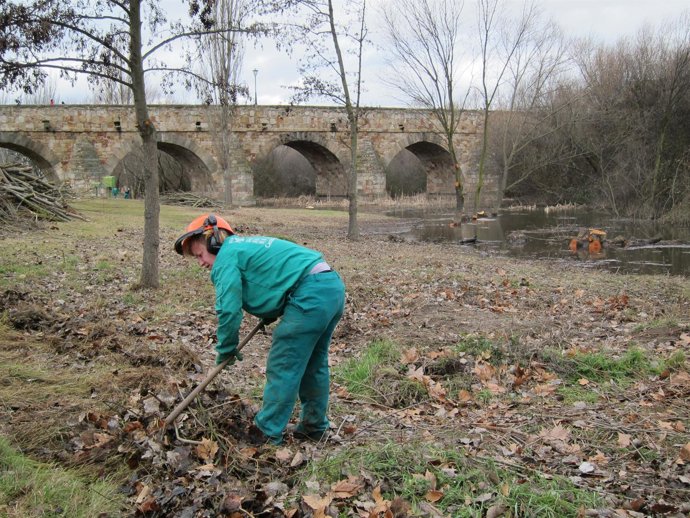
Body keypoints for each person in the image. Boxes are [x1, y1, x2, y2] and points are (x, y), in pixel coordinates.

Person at [174, 214, 346, 445]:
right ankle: (314, 427)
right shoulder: (243, 247)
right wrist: (270, 311)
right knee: (314, 364)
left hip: (310, 293)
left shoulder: (226, 256)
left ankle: (266, 433)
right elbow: (271, 278)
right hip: (330, 286)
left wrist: (226, 348)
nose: (201, 263)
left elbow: (228, 310)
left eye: (200, 255)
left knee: (283, 363)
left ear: (213, 241)